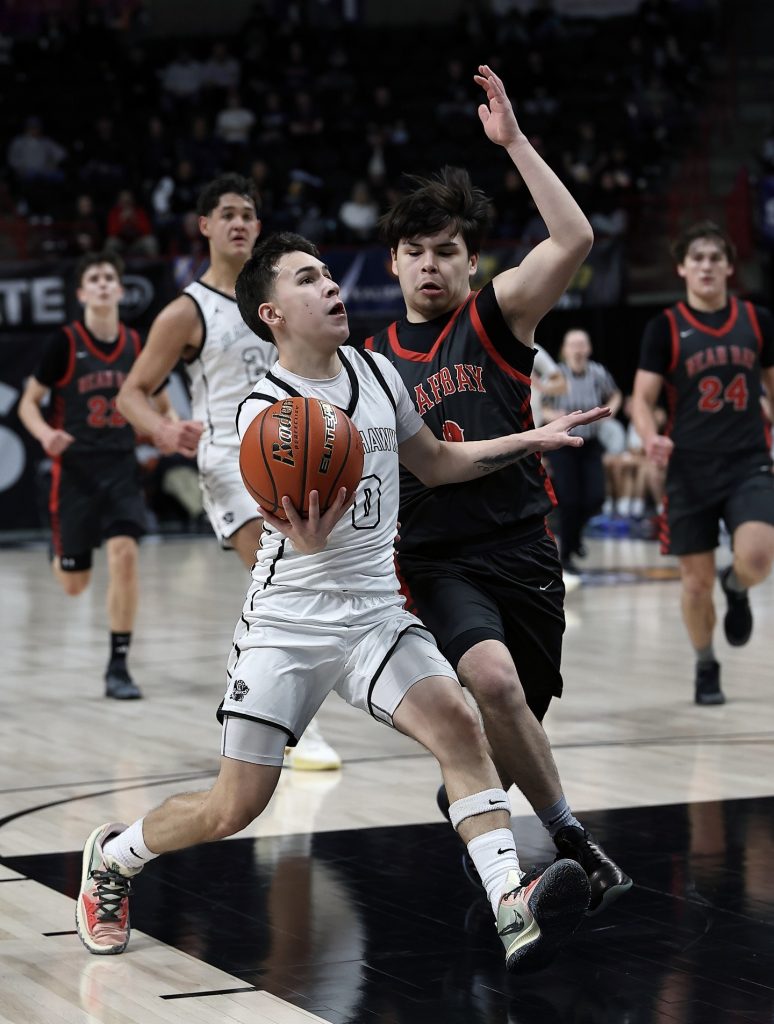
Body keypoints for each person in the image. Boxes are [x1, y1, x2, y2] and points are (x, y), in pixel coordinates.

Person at [76, 232, 614, 972]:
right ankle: (115, 855)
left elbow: (438, 461)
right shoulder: (261, 415)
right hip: (287, 625)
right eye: (308, 279)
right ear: (272, 313)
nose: (331, 286)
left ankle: (507, 900)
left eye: (329, 273)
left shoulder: (379, 372)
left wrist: (532, 437)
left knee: (460, 721)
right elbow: (293, 533)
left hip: (374, 616)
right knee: (233, 809)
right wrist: (303, 538)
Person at [366, 65, 632, 913]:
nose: (431, 265)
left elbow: (575, 241)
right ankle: (578, 843)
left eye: (448, 250)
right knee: (493, 683)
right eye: (416, 252)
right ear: (396, 264)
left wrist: (513, 143)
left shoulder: (494, 317)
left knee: (517, 714)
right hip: (439, 560)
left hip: (525, 546)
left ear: (472, 264)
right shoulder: (371, 363)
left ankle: (476, 792)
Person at [116, 173, 341, 771]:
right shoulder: (187, 311)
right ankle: (289, 729)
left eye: (248, 213)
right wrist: (163, 430)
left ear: (258, 227)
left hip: (294, 454)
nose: (239, 222)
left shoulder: (284, 299)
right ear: (206, 227)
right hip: (229, 464)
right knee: (281, 584)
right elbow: (131, 393)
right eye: (228, 214)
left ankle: (255, 703)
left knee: (301, 585)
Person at [17, 251, 173, 700]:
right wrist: (46, 434)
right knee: (74, 584)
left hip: (121, 468)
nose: (104, 284)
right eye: (95, 278)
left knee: (124, 555)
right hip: (75, 475)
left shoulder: (137, 345)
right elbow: (29, 402)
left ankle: (118, 665)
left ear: (121, 291)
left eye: (110, 277)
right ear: (83, 292)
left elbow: (160, 404)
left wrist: (167, 429)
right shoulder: (65, 342)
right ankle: (61, 547)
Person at [631, 220, 774, 705]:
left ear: (730, 266)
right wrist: (651, 438)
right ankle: (706, 665)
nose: (707, 266)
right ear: (682, 268)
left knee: (757, 558)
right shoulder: (665, 327)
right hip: (689, 470)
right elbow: (641, 401)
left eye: (716, 258)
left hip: (747, 460)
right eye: (698, 259)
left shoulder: (757, 321)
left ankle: (738, 586)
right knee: (695, 583)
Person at [543, 328, 622, 574]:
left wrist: (609, 412)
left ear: (588, 349)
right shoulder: (556, 376)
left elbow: (616, 395)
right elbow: (542, 405)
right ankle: (567, 555)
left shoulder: (598, 373)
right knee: (569, 500)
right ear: (565, 350)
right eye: (573, 345)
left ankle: (576, 539)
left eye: (581, 345)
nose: (578, 350)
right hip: (563, 445)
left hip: (590, 444)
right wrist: (553, 418)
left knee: (596, 497)